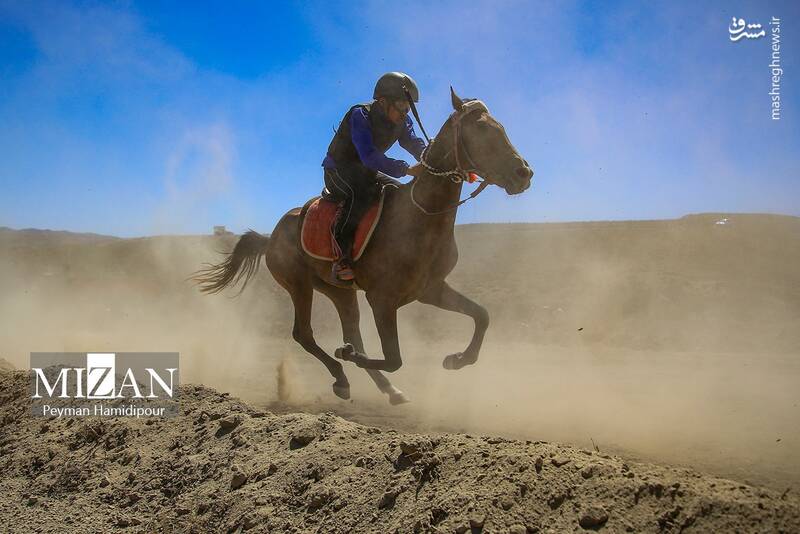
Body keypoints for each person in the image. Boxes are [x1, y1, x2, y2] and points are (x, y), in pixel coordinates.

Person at [321, 72, 426, 282]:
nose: (405, 114)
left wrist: (429, 156)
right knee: (360, 196)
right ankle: (341, 260)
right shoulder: (360, 115)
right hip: (338, 171)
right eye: (402, 107)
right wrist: (406, 169)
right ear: (383, 101)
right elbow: (368, 156)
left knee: (399, 195)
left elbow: (414, 143)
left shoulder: (402, 121)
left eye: (408, 109)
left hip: (366, 172)